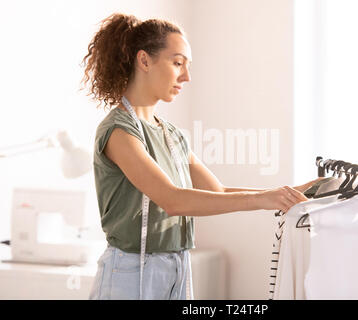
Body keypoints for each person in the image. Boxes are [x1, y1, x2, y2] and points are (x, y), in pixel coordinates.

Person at [81, 13, 320, 300]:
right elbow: (173, 200)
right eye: (177, 63)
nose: (186, 76)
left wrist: (292, 193)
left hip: (178, 266)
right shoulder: (119, 131)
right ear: (144, 61)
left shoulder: (171, 135)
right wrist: (262, 199)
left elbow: (216, 191)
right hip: (130, 271)